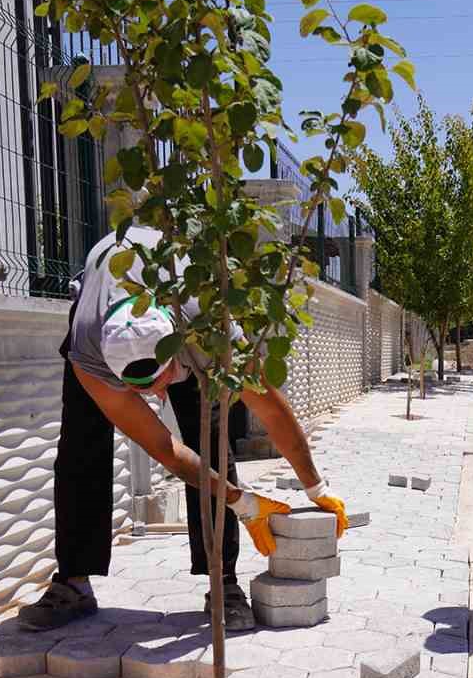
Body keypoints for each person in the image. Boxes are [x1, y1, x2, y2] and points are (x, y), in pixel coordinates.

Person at [18, 225, 349, 632]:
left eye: (160, 382)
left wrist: (316, 487)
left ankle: (221, 580)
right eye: (139, 389)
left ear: (177, 351)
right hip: (100, 304)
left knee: (211, 436)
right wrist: (243, 503)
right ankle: (73, 582)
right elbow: (166, 450)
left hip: (181, 298)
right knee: (79, 451)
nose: (157, 398)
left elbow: (272, 409)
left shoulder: (209, 328)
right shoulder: (92, 348)